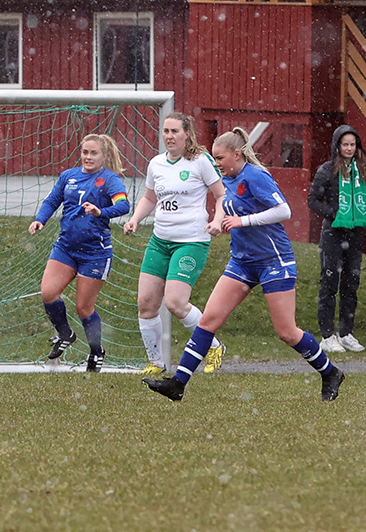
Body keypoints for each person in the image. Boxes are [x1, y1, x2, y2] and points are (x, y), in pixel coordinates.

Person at [146, 129, 346, 402]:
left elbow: (283, 211)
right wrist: (218, 222)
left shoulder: (255, 175)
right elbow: (225, 205)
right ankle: (178, 384)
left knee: (286, 332)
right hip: (242, 261)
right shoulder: (227, 179)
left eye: (220, 157)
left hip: (274, 261)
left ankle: (330, 372)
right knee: (208, 321)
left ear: (237, 155)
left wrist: (244, 221)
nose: (217, 162)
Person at [124, 111, 226, 376]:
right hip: (160, 241)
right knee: (146, 302)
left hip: (191, 241)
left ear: (187, 134)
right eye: (166, 131)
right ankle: (156, 363)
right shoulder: (156, 164)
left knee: (175, 302)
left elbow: (222, 195)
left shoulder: (200, 161)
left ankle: (213, 345)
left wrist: (217, 220)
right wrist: (135, 218)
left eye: (175, 131)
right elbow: (149, 198)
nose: (169, 136)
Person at [29, 134, 131, 372]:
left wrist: (100, 211)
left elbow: (123, 205)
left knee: (84, 307)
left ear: (104, 156)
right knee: (48, 292)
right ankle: (65, 333)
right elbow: (52, 201)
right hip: (66, 247)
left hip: (95, 252)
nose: (88, 157)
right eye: (85, 152)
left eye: (93, 153)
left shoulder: (109, 180)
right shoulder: (69, 176)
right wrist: (39, 220)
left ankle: (96, 352)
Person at [308, 124, 366, 353]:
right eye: (345, 144)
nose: (349, 148)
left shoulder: (363, 169)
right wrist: (335, 213)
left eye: (352, 144)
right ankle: (327, 335)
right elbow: (313, 200)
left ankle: (346, 332)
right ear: (337, 145)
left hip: (356, 232)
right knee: (329, 283)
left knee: (351, 284)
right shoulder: (327, 169)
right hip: (333, 232)